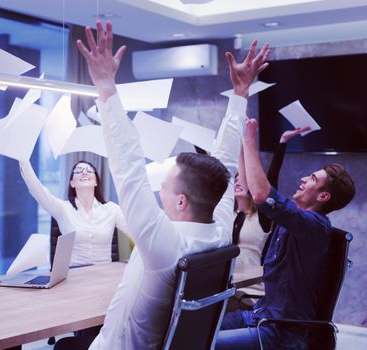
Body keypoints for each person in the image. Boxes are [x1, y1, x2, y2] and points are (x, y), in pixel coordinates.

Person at [52, 21, 270, 350]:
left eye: (165, 185)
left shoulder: (161, 242)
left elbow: (127, 165)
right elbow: (223, 163)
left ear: (181, 202)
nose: (159, 189)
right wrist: (240, 94)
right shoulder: (219, 229)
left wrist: (106, 86)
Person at [216, 119, 355, 349]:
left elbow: (261, 194)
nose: (302, 179)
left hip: (281, 332)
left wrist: (249, 138)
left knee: (200, 342)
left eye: (311, 179)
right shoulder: (293, 215)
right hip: (261, 314)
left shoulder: (313, 226)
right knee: (197, 325)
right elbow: (254, 187)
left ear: (323, 197)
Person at [233, 126, 310, 308]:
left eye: (240, 179)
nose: (237, 182)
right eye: (234, 180)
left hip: (251, 289)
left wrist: (282, 142)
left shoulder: (262, 217)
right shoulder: (231, 215)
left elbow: (271, 177)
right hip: (229, 284)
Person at [19, 159, 128, 266]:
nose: (84, 172)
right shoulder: (63, 209)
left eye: (89, 170)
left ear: (96, 181)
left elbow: (136, 232)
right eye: (78, 171)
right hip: (74, 277)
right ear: (72, 183)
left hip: (105, 276)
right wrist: (23, 159)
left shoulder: (112, 209)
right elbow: (37, 190)